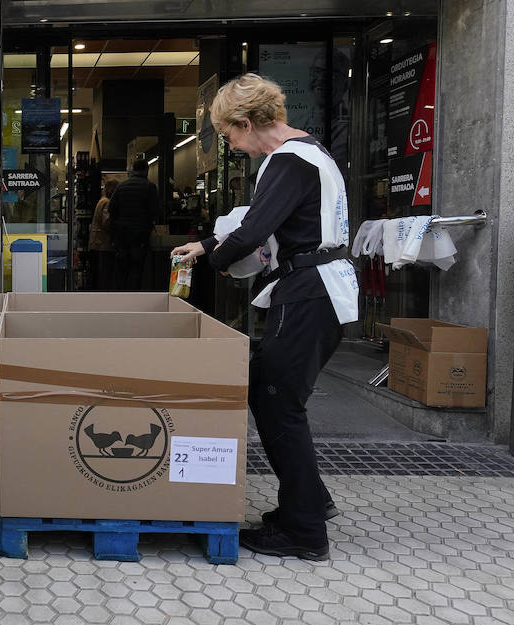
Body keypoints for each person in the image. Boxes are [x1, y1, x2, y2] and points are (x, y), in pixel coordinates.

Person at [172, 73, 359, 562]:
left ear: (247, 122)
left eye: (229, 135)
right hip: (318, 290)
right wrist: (207, 244)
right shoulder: (310, 153)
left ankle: (304, 530)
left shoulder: (287, 161)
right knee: (275, 396)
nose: (233, 146)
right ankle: (310, 502)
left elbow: (255, 228)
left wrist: (215, 260)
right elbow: (260, 222)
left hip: (308, 292)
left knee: (277, 402)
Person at [109, 159, 162, 290]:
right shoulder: (150, 187)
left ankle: (120, 294)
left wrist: (116, 231)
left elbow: (112, 209)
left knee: (121, 269)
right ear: (146, 170)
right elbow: (155, 210)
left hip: (122, 235)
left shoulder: (121, 186)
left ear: (133, 170)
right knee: (137, 269)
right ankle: (134, 295)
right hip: (140, 235)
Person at [88, 179, 119, 291]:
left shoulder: (102, 201)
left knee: (100, 272)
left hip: (97, 241)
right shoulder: (107, 202)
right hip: (103, 242)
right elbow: (106, 222)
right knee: (105, 273)